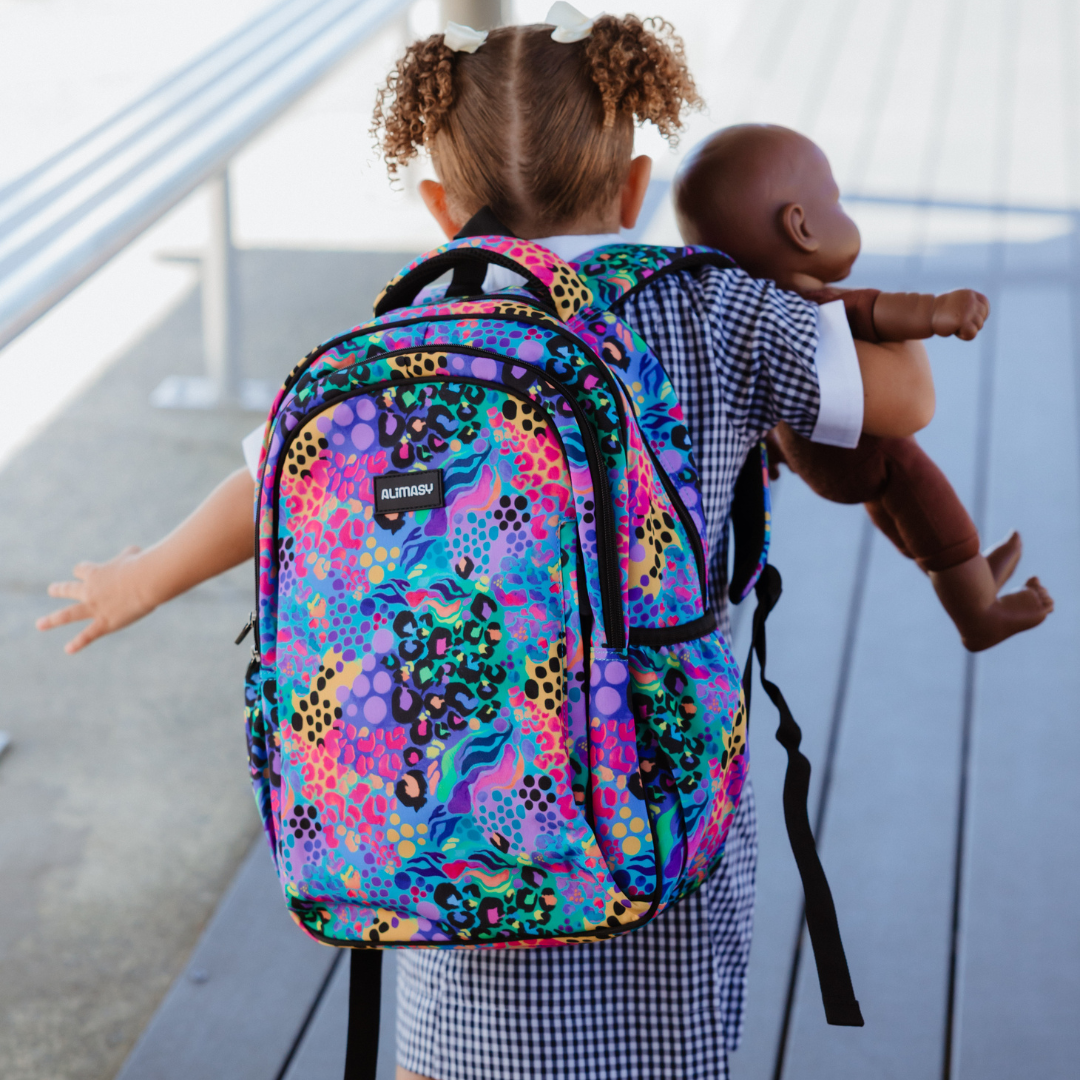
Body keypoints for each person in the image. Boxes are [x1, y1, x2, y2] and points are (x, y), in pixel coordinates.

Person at [38, 13, 937, 1080]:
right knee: (659, 1030)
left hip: (448, 801)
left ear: (437, 211)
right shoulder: (711, 307)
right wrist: (829, 268)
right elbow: (905, 400)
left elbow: (270, 478)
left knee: (459, 1018)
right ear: (636, 186)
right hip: (649, 791)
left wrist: (141, 579)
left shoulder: (411, 344)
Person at [674, 124, 1054, 651]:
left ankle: (963, 572)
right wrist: (939, 311)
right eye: (835, 199)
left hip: (814, 452)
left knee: (901, 511)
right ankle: (978, 610)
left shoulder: (746, 315)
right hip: (855, 447)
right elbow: (882, 311)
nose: (844, 212)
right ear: (801, 228)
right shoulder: (816, 306)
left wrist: (772, 448)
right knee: (922, 494)